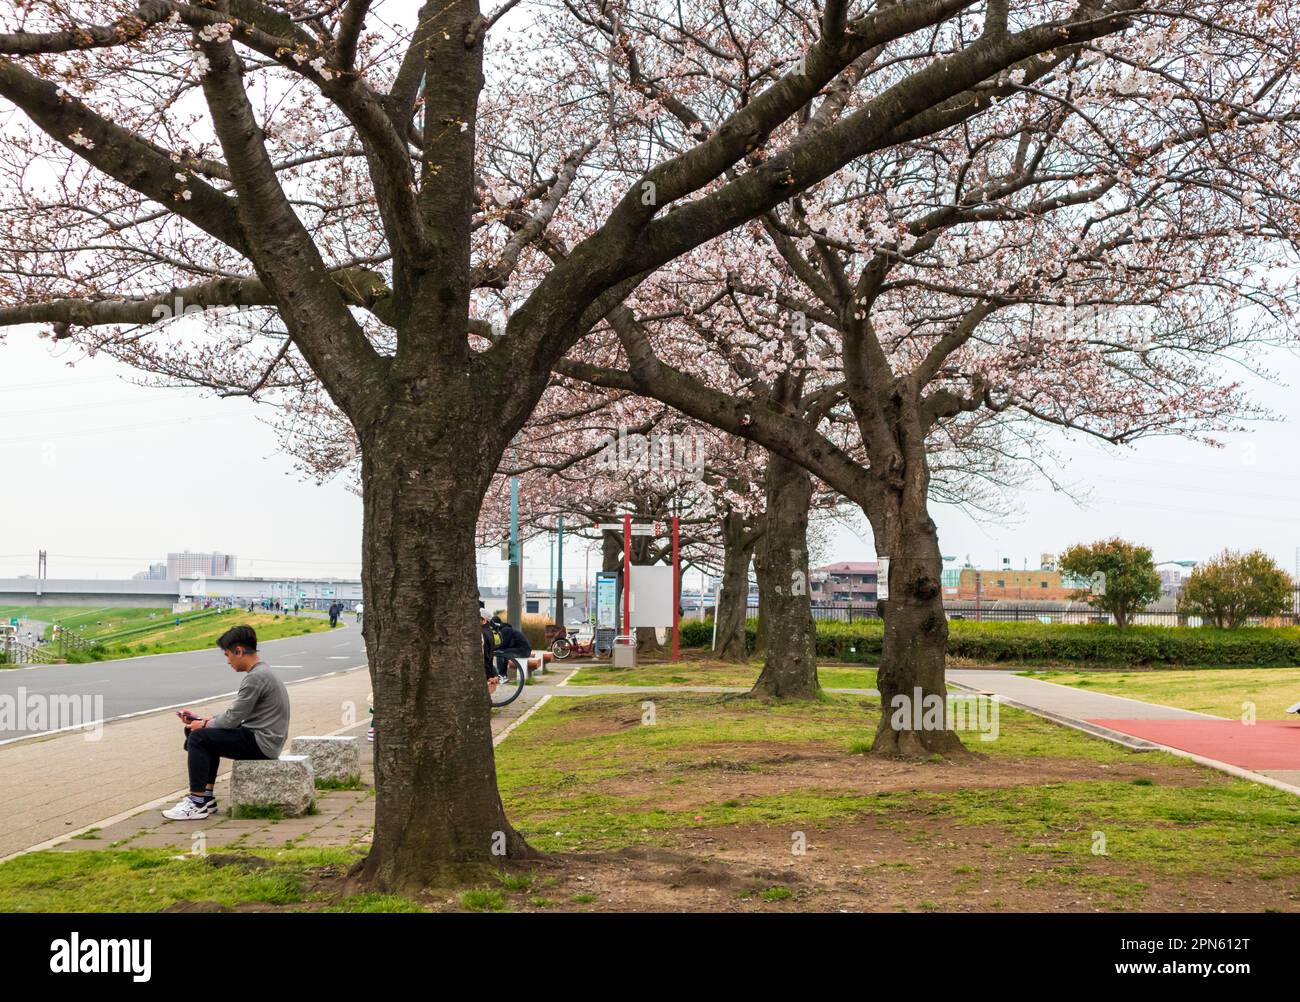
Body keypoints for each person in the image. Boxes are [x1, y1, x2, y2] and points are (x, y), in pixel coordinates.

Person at [162, 625, 290, 821]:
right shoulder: (262, 672)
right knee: (198, 732)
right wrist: (201, 720)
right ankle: (206, 797)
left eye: (227, 654)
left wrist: (203, 726)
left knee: (198, 737)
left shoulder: (255, 678)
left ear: (239, 651)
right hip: (264, 738)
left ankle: (196, 804)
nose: (228, 661)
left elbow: (231, 720)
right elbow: (235, 716)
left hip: (262, 743)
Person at [490, 614, 532, 679]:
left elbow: (503, 644)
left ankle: (501, 675)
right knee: (503, 652)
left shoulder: (505, 630)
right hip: (523, 650)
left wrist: (492, 649)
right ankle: (503, 675)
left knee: (500, 653)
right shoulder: (505, 629)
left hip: (523, 651)